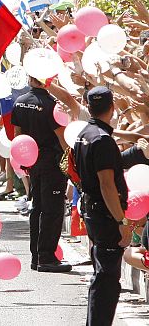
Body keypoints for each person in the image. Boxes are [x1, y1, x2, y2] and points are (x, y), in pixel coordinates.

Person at [75, 87, 149, 325]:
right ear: (113, 107)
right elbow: (107, 185)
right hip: (105, 214)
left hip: (92, 209)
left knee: (102, 276)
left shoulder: (85, 133)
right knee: (107, 280)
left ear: (88, 106)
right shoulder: (102, 140)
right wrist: (122, 221)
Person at [11, 76, 71, 273]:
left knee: (37, 207)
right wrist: (72, 163)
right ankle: (46, 256)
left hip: (32, 160)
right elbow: (61, 137)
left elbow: (17, 133)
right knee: (52, 209)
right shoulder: (50, 104)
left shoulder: (19, 101)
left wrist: (24, 159)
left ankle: (37, 256)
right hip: (51, 162)